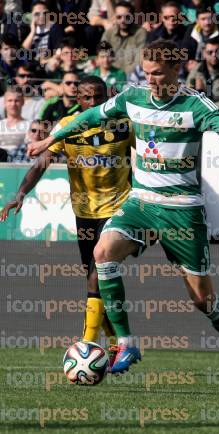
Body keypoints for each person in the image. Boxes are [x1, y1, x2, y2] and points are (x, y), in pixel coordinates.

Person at [27, 40, 219, 390]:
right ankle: (126, 343)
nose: (151, 79)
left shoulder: (193, 104)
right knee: (102, 253)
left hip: (181, 211)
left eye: (157, 73)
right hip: (141, 202)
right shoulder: (132, 97)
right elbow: (91, 116)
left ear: (175, 69)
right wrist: (52, 139)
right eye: (146, 72)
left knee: (203, 299)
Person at [0, 77, 128, 363]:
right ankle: (116, 342)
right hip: (83, 213)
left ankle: (86, 344)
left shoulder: (123, 123)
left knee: (99, 268)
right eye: (86, 98)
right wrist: (20, 193)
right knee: (95, 280)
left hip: (119, 209)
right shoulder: (67, 126)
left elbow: (145, 157)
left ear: (107, 96)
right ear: (78, 99)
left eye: (97, 97)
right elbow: (42, 162)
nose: (92, 103)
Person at [186, 37, 219, 118]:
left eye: (217, 52)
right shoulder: (197, 69)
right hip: (202, 111)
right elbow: (187, 94)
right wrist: (198, 91)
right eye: (210, 52)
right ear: (204, 53)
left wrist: (209, 108)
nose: (214, 55)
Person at [101, 1, 147, 76]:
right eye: (119, 17)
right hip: (111, 74)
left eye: (127, 17)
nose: (123, 20)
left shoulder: (141, 33)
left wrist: (122, 75)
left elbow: (139, 61)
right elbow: (102, 56)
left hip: (132, 76)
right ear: (115, 17)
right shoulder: (108, 34)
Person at [0, 86, 30, 155]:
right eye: (10, 100)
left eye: (17, 101)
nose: (13, 104)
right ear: (4, 103)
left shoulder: (30, 125)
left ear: (23, 102)